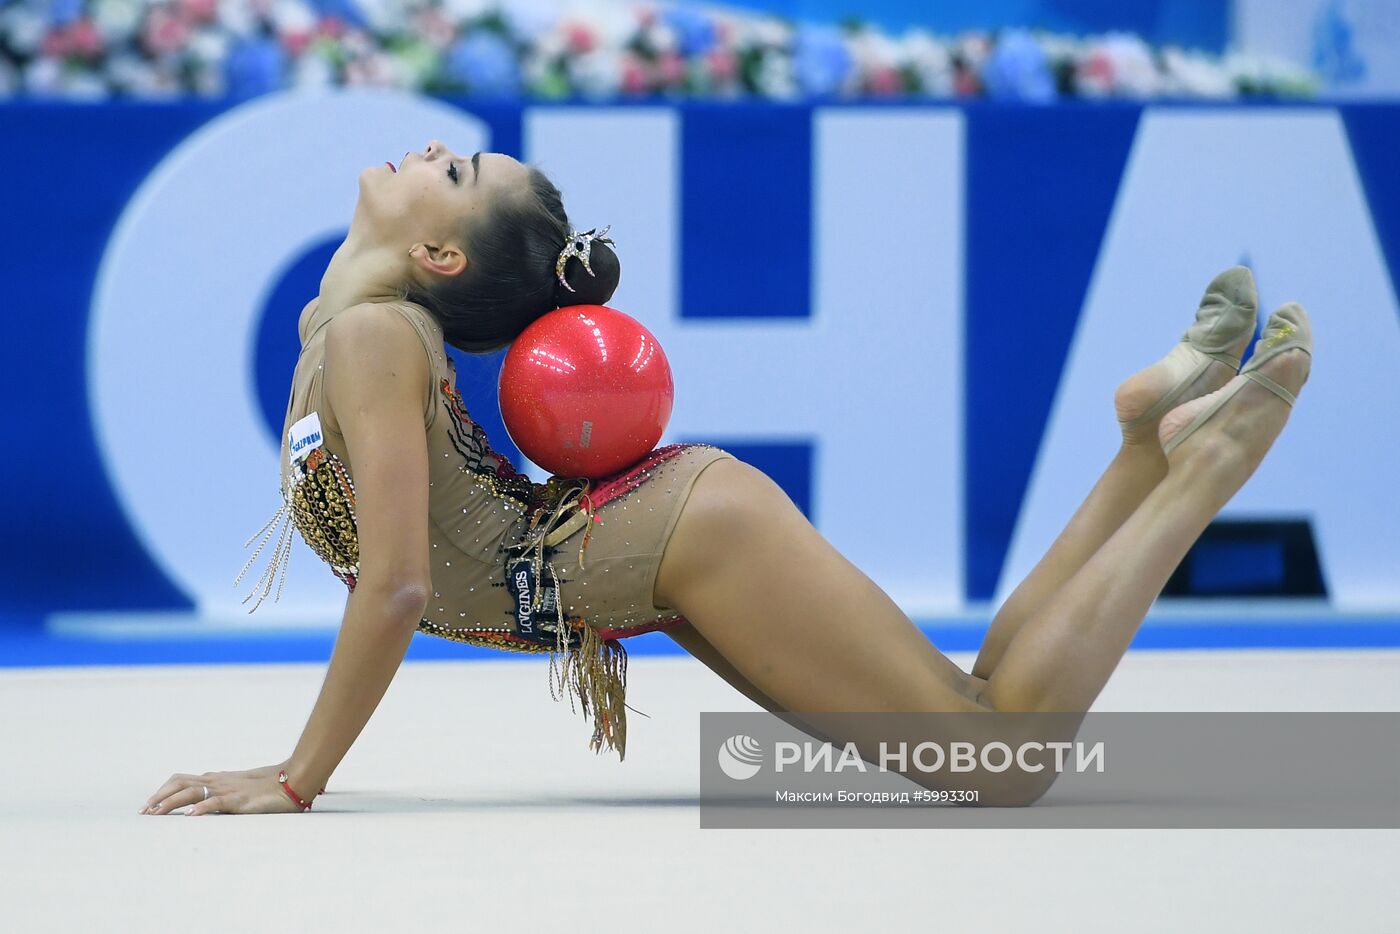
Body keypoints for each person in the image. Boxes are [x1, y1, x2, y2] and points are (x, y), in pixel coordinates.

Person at [140, 143, 1311, 816]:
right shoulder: (342, 325)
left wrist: (295, 780)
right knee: (978, 707)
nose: (426, 151)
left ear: (439, 257)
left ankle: (1196, 470)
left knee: (995, 759)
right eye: (455, 159)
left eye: (450, 167)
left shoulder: (372, 339)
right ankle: (1138, 444)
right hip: (639, 551)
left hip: (664, 539)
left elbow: (394, 583)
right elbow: (407, 568)